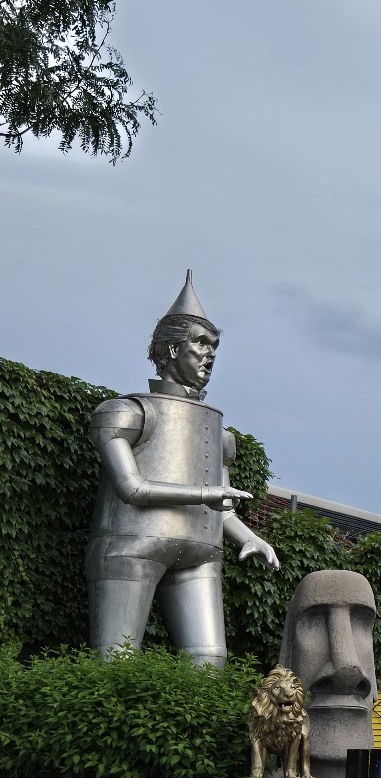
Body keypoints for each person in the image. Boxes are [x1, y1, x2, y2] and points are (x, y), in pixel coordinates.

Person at [86, 271, 279, 666]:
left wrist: (247, 537)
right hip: (130, 544)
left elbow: (223, 507)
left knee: (209, 663)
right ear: (172, 349)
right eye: (201, 343)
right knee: (115, 661)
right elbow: (131, 489)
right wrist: (207, 494)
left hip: (200, 550)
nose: (210, 354)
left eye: (215, 346)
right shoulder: (125, 412)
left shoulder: (219, 433)